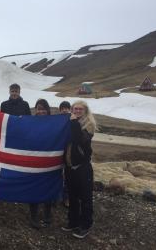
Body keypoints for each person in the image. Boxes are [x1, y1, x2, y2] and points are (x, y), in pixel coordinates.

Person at [61, 100, 97, 239]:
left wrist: (74, 122)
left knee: (85, 198)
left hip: (82, 167)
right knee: (73, 196)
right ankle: (73, 221)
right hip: (70, 167)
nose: (77, 111)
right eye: (74, 109)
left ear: (85, 110)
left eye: (80, 109)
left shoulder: (89, 125)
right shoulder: (71, 122)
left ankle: (86, 225)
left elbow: (79, 140)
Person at [28, 99, 52, 229]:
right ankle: (33, 216)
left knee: (49, 187)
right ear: (35, 110)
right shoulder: (31, 122)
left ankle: (48, 215)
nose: (41, 111)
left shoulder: (55, 123)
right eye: (38, 109)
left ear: (47, 110)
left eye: (43, 109)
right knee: (34, 188)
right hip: (35, 161)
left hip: (50, 161)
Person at [59, 100, 71, 208]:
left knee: (67, 176)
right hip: (57, 151)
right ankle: (56, 196)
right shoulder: (56, 121)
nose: (64, 110)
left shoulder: (73, 120)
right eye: (62, 108)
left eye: (66, 108)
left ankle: (66, 197)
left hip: (69, 152)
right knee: (57, 175)